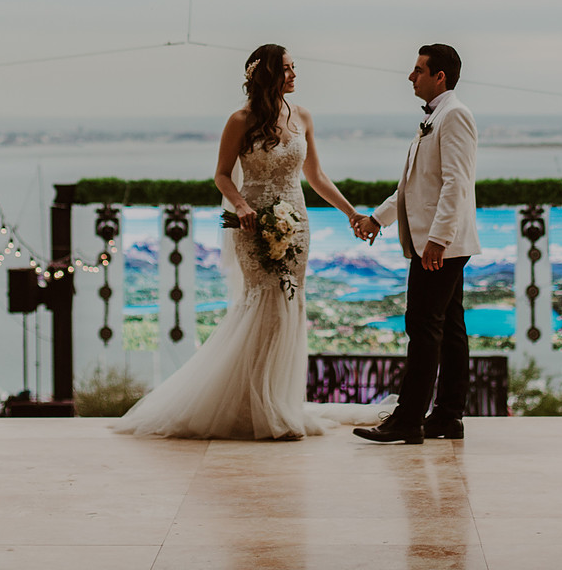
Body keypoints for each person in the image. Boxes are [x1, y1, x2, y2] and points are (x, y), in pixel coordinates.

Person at [115, 43, 365, 440]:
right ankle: (252, 405)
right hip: (252, 224)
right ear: (267, 73)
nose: (294, 74)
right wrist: (241, 205)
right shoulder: (240, 120)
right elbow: (221, 174)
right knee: (262, 303)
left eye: (294, 67)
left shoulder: (302, 116)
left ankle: (278, 402)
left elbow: (316, 176)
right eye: (287, 68)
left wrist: (351, 213)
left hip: (296, 222)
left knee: (291, 305)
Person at [350, 43, 479, 444]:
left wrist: (437, 239)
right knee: (450, 328)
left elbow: (457, 183)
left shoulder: (454, 115)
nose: (411, 76)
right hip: (441, 244)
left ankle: (409, 419)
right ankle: (447, 416)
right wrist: (378, 219)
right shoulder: (436, 117)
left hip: (440, 247)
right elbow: (413, 187)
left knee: (422, 326)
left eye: (418, 70)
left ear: (439, 76)